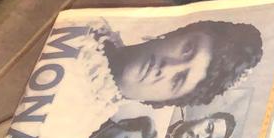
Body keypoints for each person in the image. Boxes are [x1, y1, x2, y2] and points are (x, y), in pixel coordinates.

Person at [101, 20, 263, 107]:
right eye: (187, 49)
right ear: (170, 35)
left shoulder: (84, 124)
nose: (168, 67)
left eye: (178, 80)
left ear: (162, 100)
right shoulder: (94, 29)